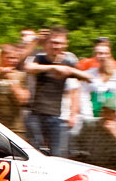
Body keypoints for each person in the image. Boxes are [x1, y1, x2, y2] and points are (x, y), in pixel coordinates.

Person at [22, 27, 87, 156]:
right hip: (35, 113)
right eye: (53, 42)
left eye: (59, 43)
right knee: (33, 153)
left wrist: (73, 113)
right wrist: (54, 68)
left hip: (59, 116)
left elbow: (82, 82)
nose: (56, 46)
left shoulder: (69, 60)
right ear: (47, 43)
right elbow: (28, 67)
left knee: (58, 155)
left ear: (65, 44)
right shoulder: (39, 58)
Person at [72, 102, 116, 172]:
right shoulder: (90, 125)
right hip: (91, 164)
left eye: (112, 113)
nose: (108, 115)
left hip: (111, 167)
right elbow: (77, 143)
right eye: (106, 112)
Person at [0, 43, 29, 134]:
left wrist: (13, 81)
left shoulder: (21, 75)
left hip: (16, 128)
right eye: (9, 58)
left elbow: (22, 100)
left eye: (15, 58)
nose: (12, 61)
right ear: (1, 57)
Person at [86, 42, 116, 124]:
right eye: (100, 53)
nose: (103, 56)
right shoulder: (88, 74)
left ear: (110, 55)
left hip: (112, 119)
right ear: (95, 56)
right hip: (93, 117)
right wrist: (87, 117)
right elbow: (84, 97)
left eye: (106, 53)